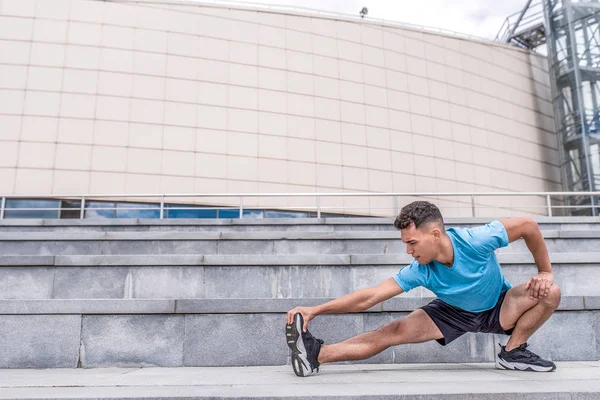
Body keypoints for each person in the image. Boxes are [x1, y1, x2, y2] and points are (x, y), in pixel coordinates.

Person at [285, 200, 561, 376]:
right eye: (405, 243)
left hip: (498, 307)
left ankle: (513, 350)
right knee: (391, 331)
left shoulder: (477, 240)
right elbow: (368, 298)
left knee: (551, 291)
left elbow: (528, 225)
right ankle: (315, 355)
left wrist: (545, 271)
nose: (408, 250)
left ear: (435, 234)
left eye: (412, 243)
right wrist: (316, 310)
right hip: (452, 312)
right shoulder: (421, 270)